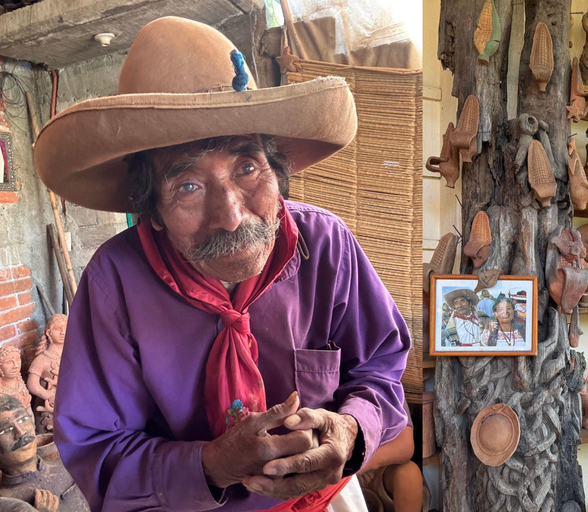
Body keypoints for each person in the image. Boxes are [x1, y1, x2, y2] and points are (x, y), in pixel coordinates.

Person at [35, 17, 410, 512]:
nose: (231, 217)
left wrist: (353, 428)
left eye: (247, 168)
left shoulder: (326, 244)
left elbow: (381, 369)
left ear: (278, 171)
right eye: (187, 185)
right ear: (151, 208)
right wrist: (210, 463)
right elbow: (98, 451)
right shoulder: (115, 282)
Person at [0, 396, 89, 511]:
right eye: (6, 429)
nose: (21, 432)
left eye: (22, 420)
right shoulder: (7, 503)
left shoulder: (66, 465)